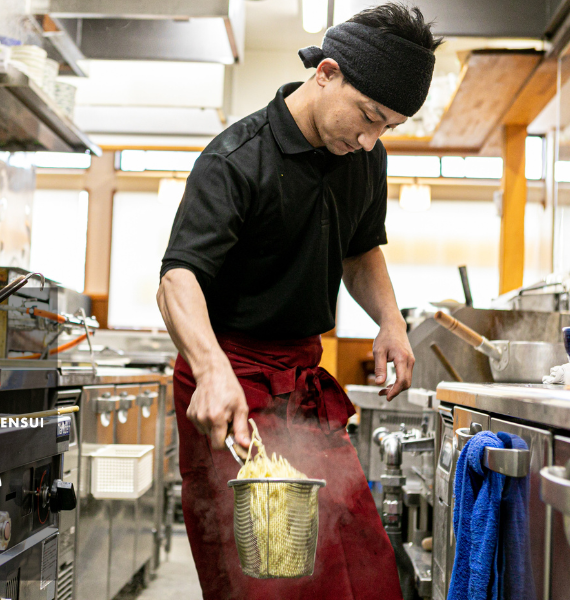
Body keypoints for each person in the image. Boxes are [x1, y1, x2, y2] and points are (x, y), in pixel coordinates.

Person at [157, 3, 442, 598]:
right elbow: (178, 278)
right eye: (368, 116)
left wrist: (391, 322)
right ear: (327, 73)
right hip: (230, 381)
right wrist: (211, 371)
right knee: (268, 574)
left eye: (387, 127)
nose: (369, 139)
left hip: (303, 380)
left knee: (361, 557)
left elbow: (360, 251)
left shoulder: (365, 157)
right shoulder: (236, 159)